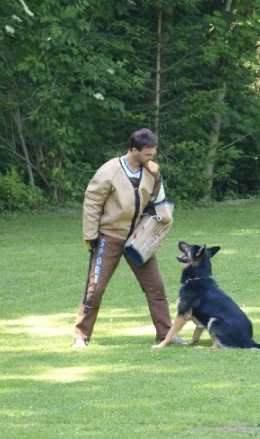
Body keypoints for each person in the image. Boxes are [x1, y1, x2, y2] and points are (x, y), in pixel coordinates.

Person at [71, 128, 180, 348]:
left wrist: (155, 225)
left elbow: (157, 201)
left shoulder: (152, 172)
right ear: (133, 150)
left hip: (138, 240)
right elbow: (92, 202)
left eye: (153, 153)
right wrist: (90, 235)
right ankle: (80, 337)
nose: (152, 158)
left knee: (155, 287)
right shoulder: (109, 170)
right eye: (148, 154)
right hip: (108, 237)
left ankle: (166, 335)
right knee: (95, 288)